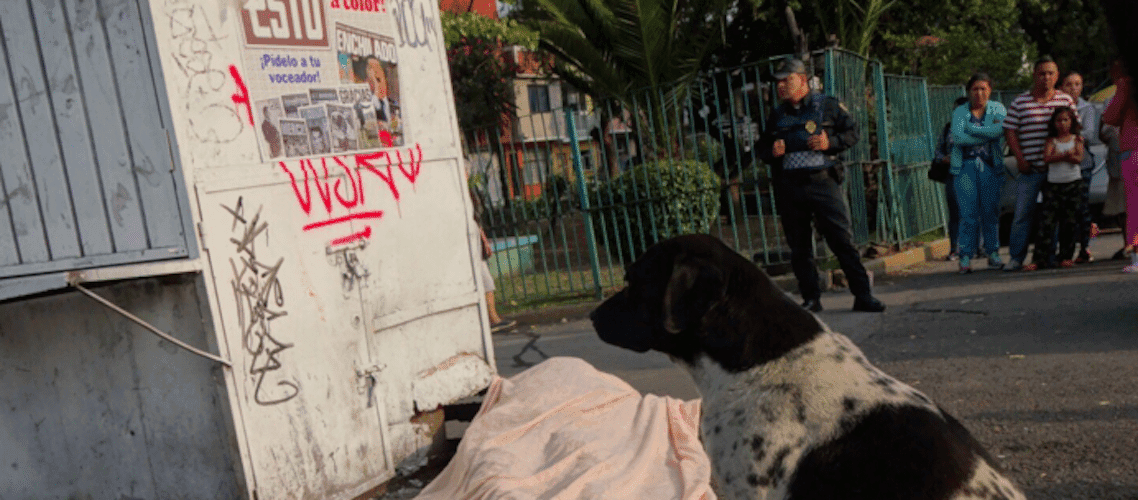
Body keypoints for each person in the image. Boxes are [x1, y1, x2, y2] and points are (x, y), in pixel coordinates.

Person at [757, 58, 885, 313]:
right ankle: (811, 299)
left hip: (823, 181)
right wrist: (772, 151)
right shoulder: (777, 114)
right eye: (779, 82)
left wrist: (831, 143)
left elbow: (853, 133)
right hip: (791, 185)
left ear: (802, 80)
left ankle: (863, 295)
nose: (781, 86)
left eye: (787, 80)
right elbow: (762, 148)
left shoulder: (827, 105)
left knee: (841, 240)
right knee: (800, 247)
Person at [1002, 56, 1077, 271]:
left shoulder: (1065, 101)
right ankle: (1016, 257)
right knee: (1022, 214)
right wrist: (1020, 158)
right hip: (1030, 169)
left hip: (1059, 170)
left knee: (1054, 215)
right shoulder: (1020, 102)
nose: (1046, 78)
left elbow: (1076, 130)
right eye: (1042, 73)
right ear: (1035, 75)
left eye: (1050, 73)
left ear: (1057, 76)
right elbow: (1010, 131)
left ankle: (1049, 256)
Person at [951, 74, 1007, 273]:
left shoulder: (998, 109)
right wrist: (984, 133)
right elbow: (957, 137)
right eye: (975, 89)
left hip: (990, 166)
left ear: (990, 90)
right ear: (968, 92)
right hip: (965, 167)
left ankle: (993, 252)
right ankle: (965, 256)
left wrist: (971, 130)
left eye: (983, 88)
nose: (979, 93)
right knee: (968, 214)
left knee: (990, 212)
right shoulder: (960, 111)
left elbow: (999, 131)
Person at [1024, 108, 1084, 271]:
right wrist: (1065, 155)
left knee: (1069, 222)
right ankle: (1040, 258)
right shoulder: (1051, 140)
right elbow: (1047, 158)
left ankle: (1066, 256)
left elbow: (1078, 158)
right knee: (1047, 223)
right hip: (1053, 184)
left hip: (1073, 183)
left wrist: (1060, 156)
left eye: (1066, 120)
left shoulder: (1077, 139)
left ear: (1071, 122)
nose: (1062, 124)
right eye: (1059, 120)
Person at [1060, 71, 1102, 263]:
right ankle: (1065, 249)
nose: (1074, 88)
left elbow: (1090, 135)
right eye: (1069, 84)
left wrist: (1066, 135)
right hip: (1060, 164)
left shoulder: (1088, 109)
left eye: (1078, 84)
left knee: (1082, 208)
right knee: (1063, 209)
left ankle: (1085, 247)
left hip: (1082, 163)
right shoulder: (1058, 107)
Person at [1101, 58, 1138, 273]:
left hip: (1132, 146)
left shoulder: (1126, 83)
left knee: (1134, 204)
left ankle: (1136, 255)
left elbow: (1111, 116)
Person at [932, 96, 970, 263]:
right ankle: (955, 248)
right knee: (955, 212)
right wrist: (944, 159)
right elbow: (938, 150)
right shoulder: (948, 129)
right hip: (953, 174)